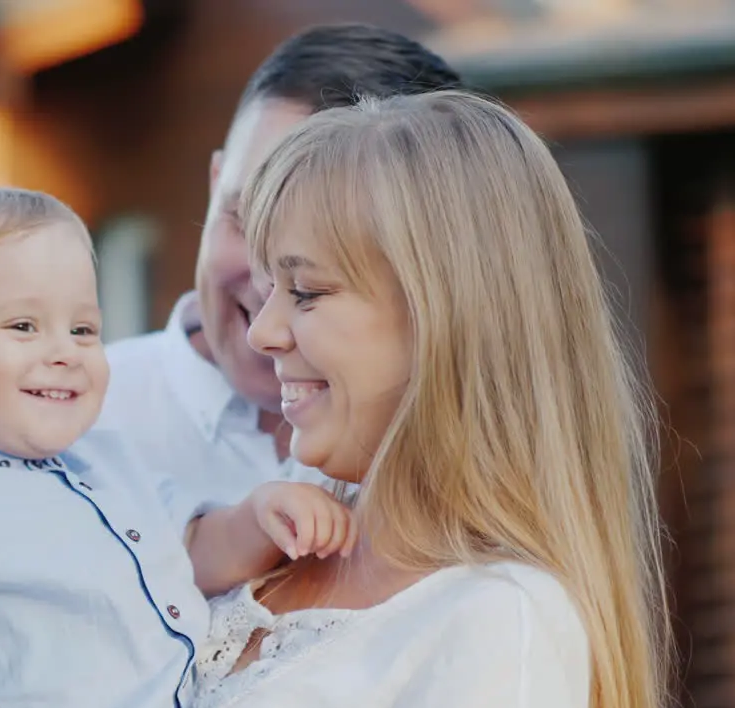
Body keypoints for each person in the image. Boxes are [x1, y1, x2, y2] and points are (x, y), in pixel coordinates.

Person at [189, 92, 672, 708]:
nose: (264, 332)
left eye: (306, 292)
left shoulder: (504, 620)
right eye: (269, 288)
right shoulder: (267, 533)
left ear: (446, 318)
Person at [0, 181, 355, 708]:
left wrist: (260, 517)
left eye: (83, 328)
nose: (65, 352)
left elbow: (189, 549)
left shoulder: (108, 463)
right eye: (23, 326)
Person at [99, 23, 463, 512]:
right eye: (244, 219)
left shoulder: (471, 452)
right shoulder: (75, 424)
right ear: (214, 184)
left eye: (327, 248)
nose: (267, 284)